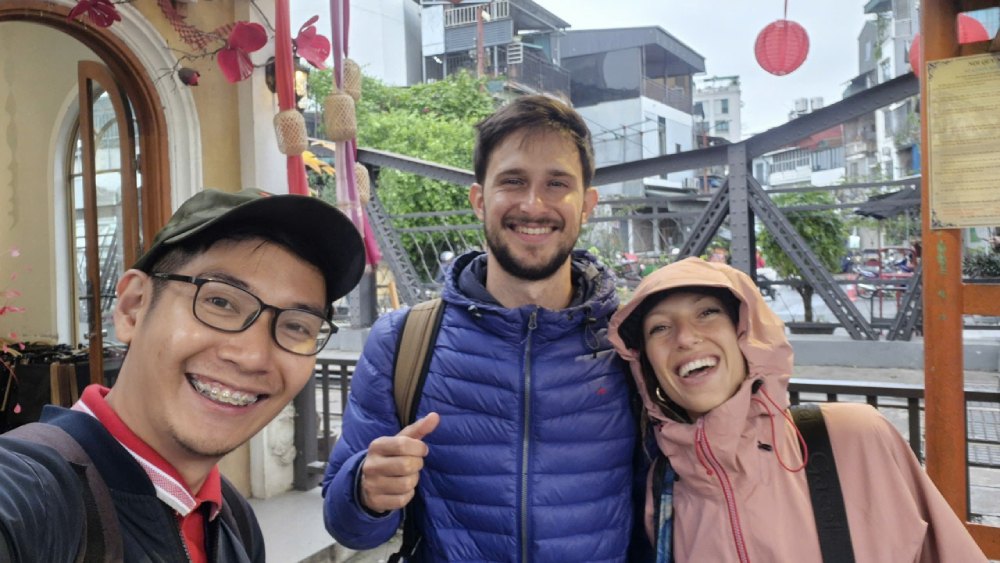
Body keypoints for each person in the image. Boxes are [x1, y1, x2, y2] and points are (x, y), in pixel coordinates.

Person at [322, 95, 643, 561]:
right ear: (479, 199)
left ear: (588, 204)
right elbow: (350, 528)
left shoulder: (631, 342)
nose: (533, 205)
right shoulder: (403, 343)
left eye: (557, 183)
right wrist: (366, 492)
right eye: (513, 181)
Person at [0, 188, 366, 562]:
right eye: (220, 301)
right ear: (133, 307)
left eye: (297, 326)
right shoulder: (32, 495)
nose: (254, 357)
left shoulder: (232, 520)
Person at [608, 257, 988, 562]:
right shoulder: (663, 490)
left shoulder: (854, 437)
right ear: (646, 366)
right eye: (660, 328)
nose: (686, 337)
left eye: (707, 313)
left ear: (748, 335)